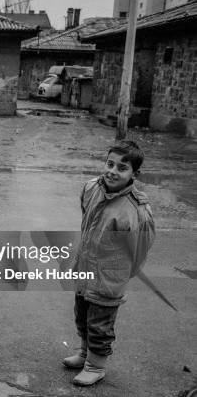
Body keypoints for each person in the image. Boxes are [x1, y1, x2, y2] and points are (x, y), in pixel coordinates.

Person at [63, 140, 155, 386]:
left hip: (109, 278)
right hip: (84, 270)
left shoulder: (137, 209)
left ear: (134, 174)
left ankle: (96, 366)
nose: (113, 171)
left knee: (100, 325)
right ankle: (84, 354)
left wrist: (120, 274)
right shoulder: (92, 187)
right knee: (82, 315)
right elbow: (87, 220)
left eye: (122, 167)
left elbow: (140, 249)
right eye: (110, 163)